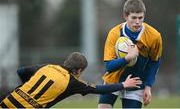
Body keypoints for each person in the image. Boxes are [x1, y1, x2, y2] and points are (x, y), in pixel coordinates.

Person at [0, 52, 142, 108]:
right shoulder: (72, 82)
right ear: (79, 71)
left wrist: (26, 86)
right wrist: (124, 84)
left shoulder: (48, 67)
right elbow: (99, 89)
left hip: (6, 101)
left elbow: (21, 71)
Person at [98, 0, 162, 108]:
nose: (137, 22)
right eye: (134, 18)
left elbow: (154, 62)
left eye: (140, 18)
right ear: (125, 16)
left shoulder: (154, 36)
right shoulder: (114, 34)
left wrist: (148, 86)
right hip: (114, 80)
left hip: (136, 82)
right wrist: (127, 58)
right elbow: (109, 66)